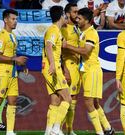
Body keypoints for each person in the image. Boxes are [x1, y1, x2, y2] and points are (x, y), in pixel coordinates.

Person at [62, 7, 114, 135]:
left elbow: (86, 51)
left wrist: (67, 46)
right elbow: (90, 15)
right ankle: (108, 129)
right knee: (95, 103)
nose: (77, 20)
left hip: (92, 70)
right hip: (86, 70)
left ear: (86, 20)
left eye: (79, 18)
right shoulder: (83, 32)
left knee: (88, 102)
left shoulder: (91, 33)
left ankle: (99, 132)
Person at [42, 6, 72, 135]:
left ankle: (48, 131)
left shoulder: (56, 30)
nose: (67, 18)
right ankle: (56, 128)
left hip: (49, 68)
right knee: (67, 99)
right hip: (53, 69)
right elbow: (49, 45)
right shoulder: (53, 30)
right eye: (65, 15)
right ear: (61, 16)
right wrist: (53, 64)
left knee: (55, 101)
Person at [61, 3, 80, 135]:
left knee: (73, 99)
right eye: (74, 12)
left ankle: (69, 129)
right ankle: (58, 128)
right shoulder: (64, 28)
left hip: (77, 66)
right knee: (66, 99)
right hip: (69, 65)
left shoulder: (76, 27)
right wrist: (65, 69)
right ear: (68, 14)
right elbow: (61, 47)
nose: (77, 14)